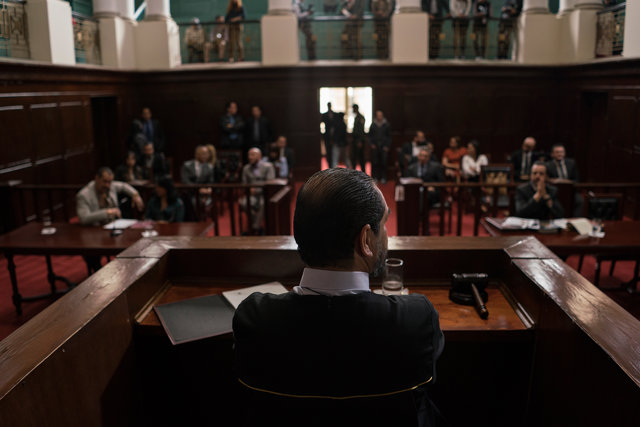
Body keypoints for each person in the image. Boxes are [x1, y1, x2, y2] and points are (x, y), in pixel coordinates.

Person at [233, 168, 444, 426]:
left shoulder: (254, 319)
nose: (386, 234)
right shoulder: (416, 319)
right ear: (365, 240)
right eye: (384, 224)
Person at [76, 167, 144, 273]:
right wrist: (107, 212)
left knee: (132, 244)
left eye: (110, 182)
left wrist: (135, 195)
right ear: (96, 178)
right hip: (94, 233)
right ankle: (98, 274)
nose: (108, 185)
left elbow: (124, 186)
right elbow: (84, 218)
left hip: (112, 229)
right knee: (92, 254)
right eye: (105, 182)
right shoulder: (84, 195)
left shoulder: (111, 185)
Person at [240, 147, 275, 234]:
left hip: (265, 194)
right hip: (252, 195)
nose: (250, 157)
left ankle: (254, 228)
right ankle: (258, 227)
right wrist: (248, 189)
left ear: (259, 156)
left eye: (252, 155)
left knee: (263, 204)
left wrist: (257, 190)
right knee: (243, 203)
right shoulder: (246, 168)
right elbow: (244, 184)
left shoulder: (268, 166)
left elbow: (270, 183)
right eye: (249, 155)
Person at [546, 143, 583, 216]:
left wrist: (566, 182)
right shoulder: (548, 165)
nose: (560, 154)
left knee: (580, 200)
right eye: (557, 152)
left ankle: (576, 219)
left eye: (561, 152)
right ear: (552, 154)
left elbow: (577, 180)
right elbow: (547, 180)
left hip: (570, 191)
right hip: (554, 192)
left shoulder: (571, 163)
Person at [369, 109, 391, 183]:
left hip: (384, 146)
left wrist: (387, 146)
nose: (379, 117)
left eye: (380, 115)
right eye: (378, 115)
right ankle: (374, 177)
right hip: (375, 146)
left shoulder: (386, 124)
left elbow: (389, 136)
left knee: (384, 163)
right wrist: (371, 144)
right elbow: (370, 136)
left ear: (382, 116)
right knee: (374, 162)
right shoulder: (373, 124)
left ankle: (383, 177)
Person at [320, 102, 340, 168]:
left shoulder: (335, 115)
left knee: (334, 154)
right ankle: (329, 166)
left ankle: (333, 167)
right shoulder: (324, 115)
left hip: (335, 137)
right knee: (328, 153)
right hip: (327, 137)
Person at [350, 104, 366, 172]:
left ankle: (363, 173)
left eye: (353, 109)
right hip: (355, 140)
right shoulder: (356, 117)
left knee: (361, 158)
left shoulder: (360, 117)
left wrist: (360, 141)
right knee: (354, 158)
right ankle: (354, 173)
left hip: (359, 141)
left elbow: (361, 131)